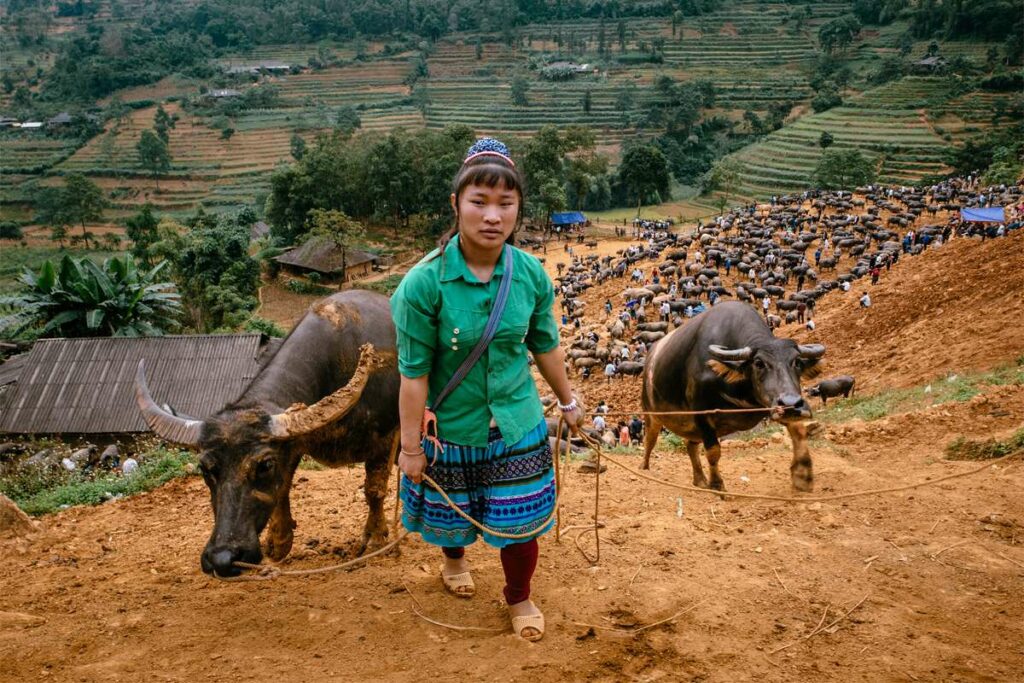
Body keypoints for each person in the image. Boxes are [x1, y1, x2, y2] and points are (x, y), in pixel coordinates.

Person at [391, 138, 583, 642]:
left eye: (506, 204)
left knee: (519, 522)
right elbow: (413, 375)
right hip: (452, 424)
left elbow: (546, 345)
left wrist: (568, 401)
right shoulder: (422, 285)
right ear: (456, 204)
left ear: (519, 209)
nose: (492, 216)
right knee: (453, 513)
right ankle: (454, 561)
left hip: (517, 421)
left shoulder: (531, 275)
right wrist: (411, 448)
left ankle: (518, 595)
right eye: (479, 201)